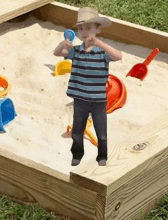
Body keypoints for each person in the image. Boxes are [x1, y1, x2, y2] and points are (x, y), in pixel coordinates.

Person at [54, 7, 122, 166]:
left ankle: (102, 157)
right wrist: (63, 43)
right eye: (80, 28)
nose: (84, 31)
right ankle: (77, 155)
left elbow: (118, 56)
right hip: (80, 99)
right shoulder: (76, 51)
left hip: (98, 100)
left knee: (101, 131)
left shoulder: (102, 52)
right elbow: (57, 53)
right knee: (77, 130)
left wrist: (98, 43)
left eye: (88, 27)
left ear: (98, 29)